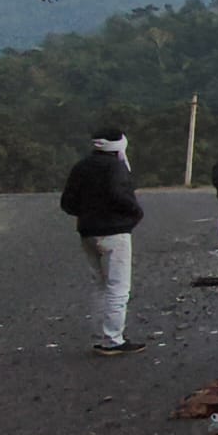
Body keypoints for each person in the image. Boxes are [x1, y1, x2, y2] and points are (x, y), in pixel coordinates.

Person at [60, 126, 146, 355]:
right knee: (118, 287)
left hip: (87, 232)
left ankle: (101, 336)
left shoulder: (81, 166)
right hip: (115, 233)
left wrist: (88, 213)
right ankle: (113, 339)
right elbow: (121, 196)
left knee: (99, 285)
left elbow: (67, 203)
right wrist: (135, 214)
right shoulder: (117, 167)